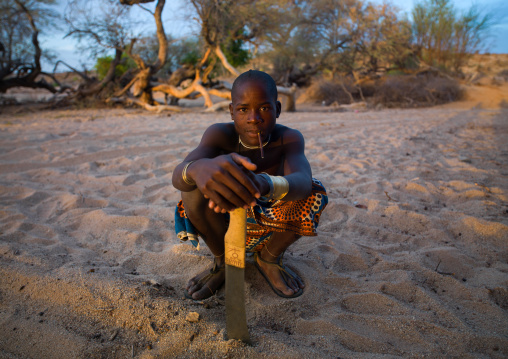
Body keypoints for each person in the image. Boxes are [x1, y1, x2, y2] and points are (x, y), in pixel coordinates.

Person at [172, 70, 327, 300]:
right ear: (232, 111)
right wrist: (196, 168)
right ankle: (224, 262)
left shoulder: (289, 138)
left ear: (278, 109)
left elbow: (303, 182)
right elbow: (178, 177)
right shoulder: (219, 135)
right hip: (222, 220)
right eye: (243, 109)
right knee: (192, 186)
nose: (254, 118)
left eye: (264, 108)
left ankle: (268, 258)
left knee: (314, 192)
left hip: (270, 225)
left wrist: (265, 183)